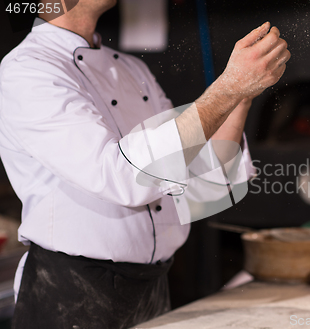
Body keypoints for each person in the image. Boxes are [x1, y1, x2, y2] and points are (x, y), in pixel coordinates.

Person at [0, 0, 291, 327]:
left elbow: (199, 182)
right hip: (71, 295)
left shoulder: (131, 70)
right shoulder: (28, 69)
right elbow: (122, 177)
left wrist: (241, 95)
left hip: (153, 289)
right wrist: (226, 89)